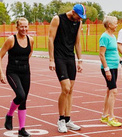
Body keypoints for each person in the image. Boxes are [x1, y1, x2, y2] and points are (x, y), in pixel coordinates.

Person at [48, 4, 85, 133]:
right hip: (59, 58)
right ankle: (61, 119)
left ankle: (68, 119)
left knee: (71, 90)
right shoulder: (57, 19)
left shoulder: (78, 23)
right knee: (66, 88)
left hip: (70, 57)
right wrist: (51, 59)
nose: (79, 19)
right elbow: (50, 38)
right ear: (73, 12)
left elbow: (77, 42)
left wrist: (80, 60)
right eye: (78, 16)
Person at [0, 17, 33, 137]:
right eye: (21, 26)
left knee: (24, 100)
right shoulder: (11, 40)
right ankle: (9, 115)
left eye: (26, 26)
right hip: (12, 72)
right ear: (17, 27)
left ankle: (21, 129)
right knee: (20, 95)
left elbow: (29, 53)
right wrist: (1, 73)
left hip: (26, 72)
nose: (24, 29)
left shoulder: (30, 40)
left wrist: (24, 63)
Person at [99, 16, 122, 127]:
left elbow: (114, 52)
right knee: (114, 91)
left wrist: (121, 61)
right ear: (109, 25)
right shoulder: (104, 37)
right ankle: (111, 117)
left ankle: (105, 116)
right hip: (108, 68)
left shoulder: (113, 36)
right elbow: (101, 54)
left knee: (110, 91)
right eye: (115, 23)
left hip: (114, 67)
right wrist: (106, 69)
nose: (117, 25)